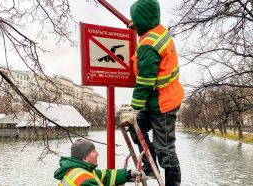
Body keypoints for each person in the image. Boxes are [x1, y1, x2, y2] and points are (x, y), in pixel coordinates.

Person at [128, 0, 185, 185]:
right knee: (135, 128)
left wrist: (134, 108)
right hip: (159, 98)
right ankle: (150, 166)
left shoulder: (148, 46)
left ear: (142, 20)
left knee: (166, 150)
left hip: (163, 103)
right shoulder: (158, 30)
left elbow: (145, 81)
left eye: (136, 20)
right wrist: (136, 24)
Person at [54, 139, 140, 186]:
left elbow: (106, 176)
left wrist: (128, 174)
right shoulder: (84, 180)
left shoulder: (81, 170)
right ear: (85, 158)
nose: (97, 154)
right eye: (93, 151)